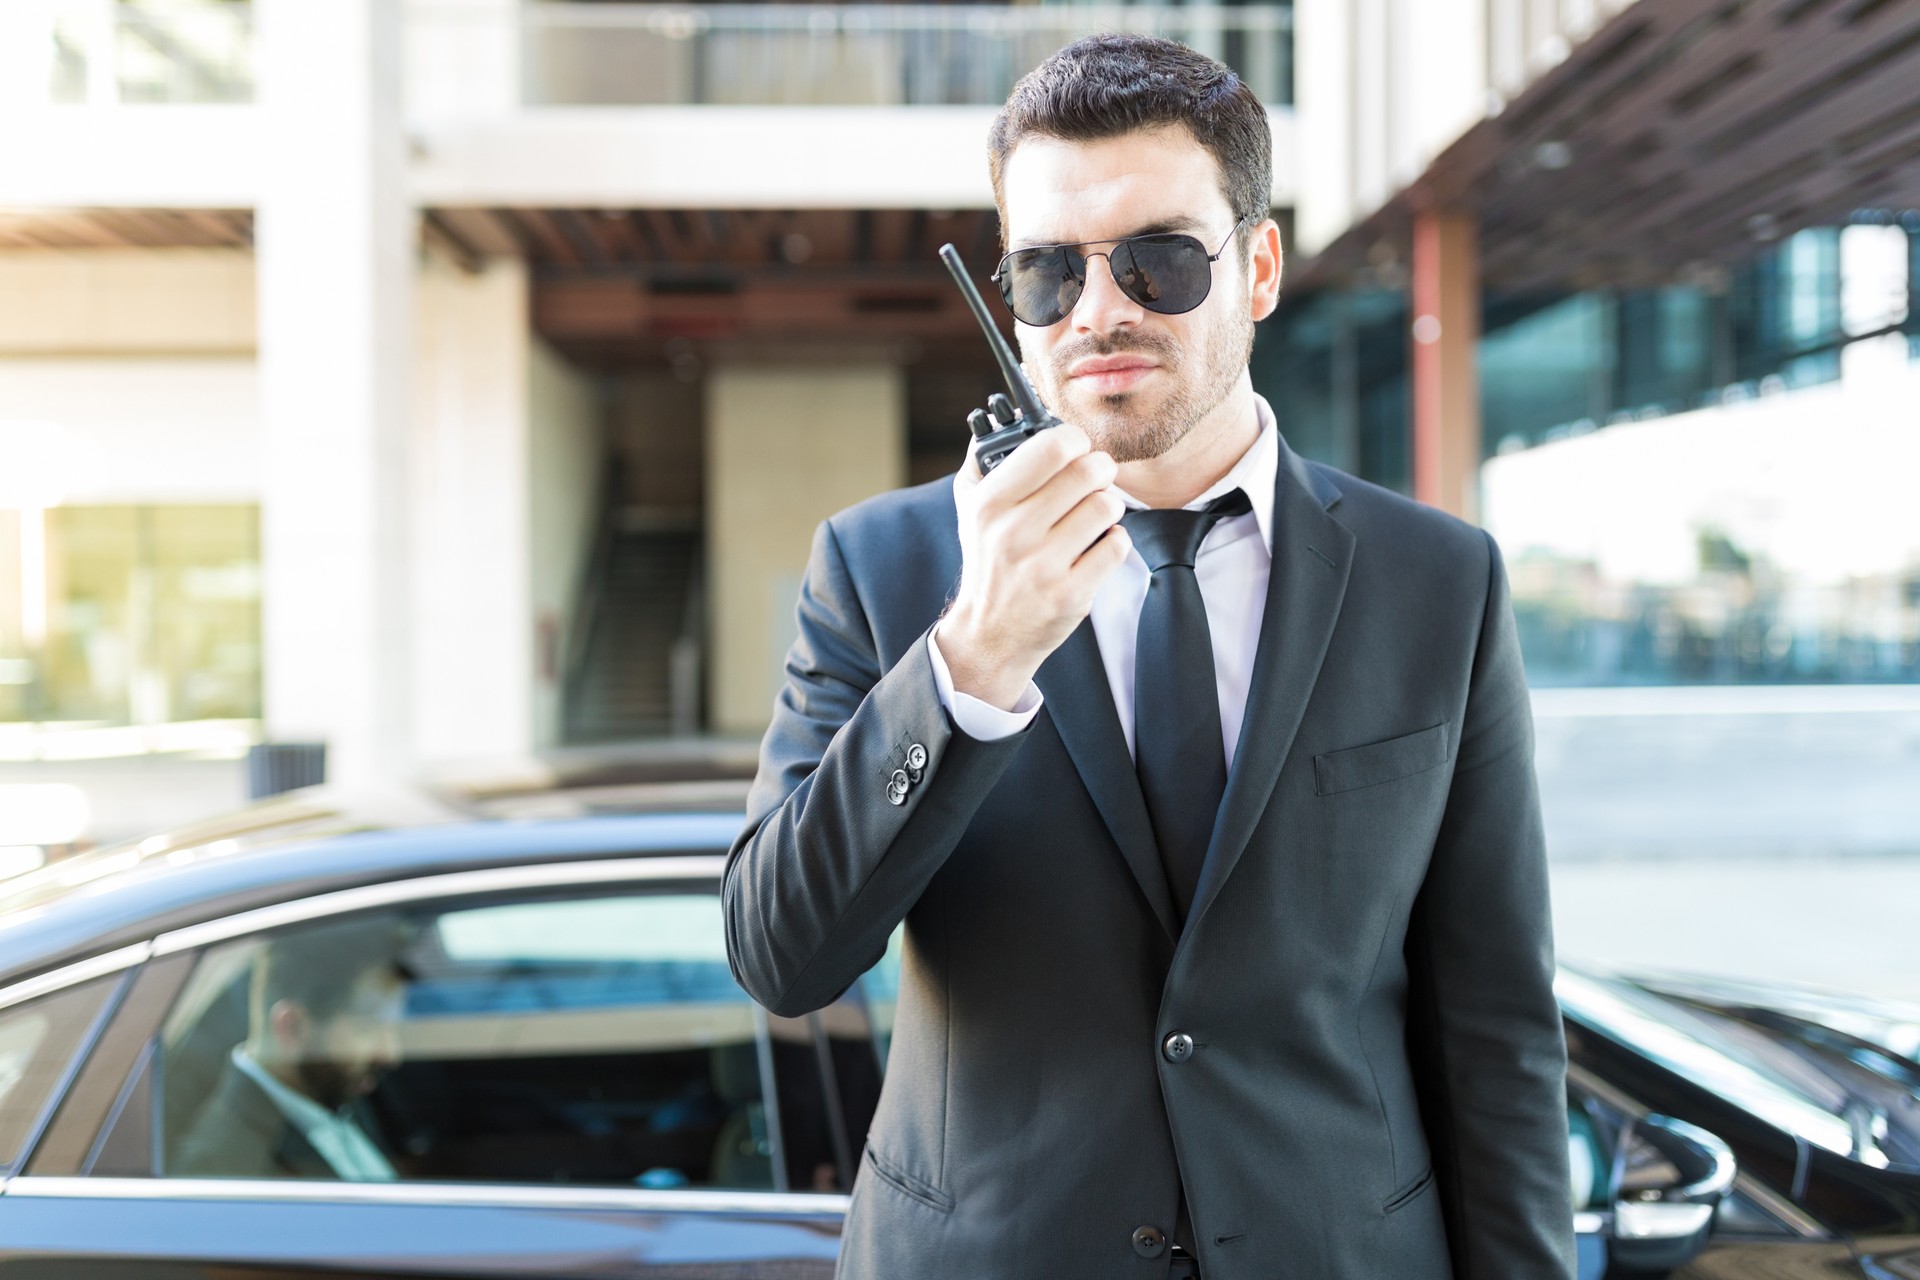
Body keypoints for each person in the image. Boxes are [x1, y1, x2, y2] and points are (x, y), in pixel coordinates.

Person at [723, 33, 1574, 1280]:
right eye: (1048, 272)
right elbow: (781, 954)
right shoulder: (884, 568)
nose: (1100, 311)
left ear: (1261, 267)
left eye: (1161, 260)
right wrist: (973, 659)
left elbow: (1496, 1027)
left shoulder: (1438, 581)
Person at [172, 917, 410, 1180]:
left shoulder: (331, 1088)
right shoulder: (225, 1169)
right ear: (293, 1027)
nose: (391, 1054)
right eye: (367, 1029)